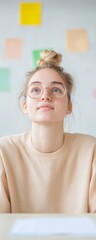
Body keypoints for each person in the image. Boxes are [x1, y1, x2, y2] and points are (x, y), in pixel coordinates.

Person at [0, 50, 96, 213]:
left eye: (56, 90)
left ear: (69, 107)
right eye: (36, 90)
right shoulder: (4, 151)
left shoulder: (90, 149)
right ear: (25, 106)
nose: (45, 96)